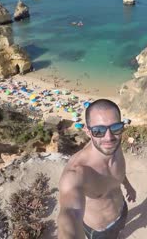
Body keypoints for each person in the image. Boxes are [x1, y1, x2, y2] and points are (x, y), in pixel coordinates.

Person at [58, 99, 136, 239]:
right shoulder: (77, 173)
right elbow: (70, 214)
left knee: (119, 233)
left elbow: (118, 173)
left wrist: (128, 186)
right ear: (88, 132)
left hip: (122, 210)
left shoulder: (115, 146)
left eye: (115, 128)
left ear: (122, 126)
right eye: (99, 130)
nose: (109, 137)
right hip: (100, 230)